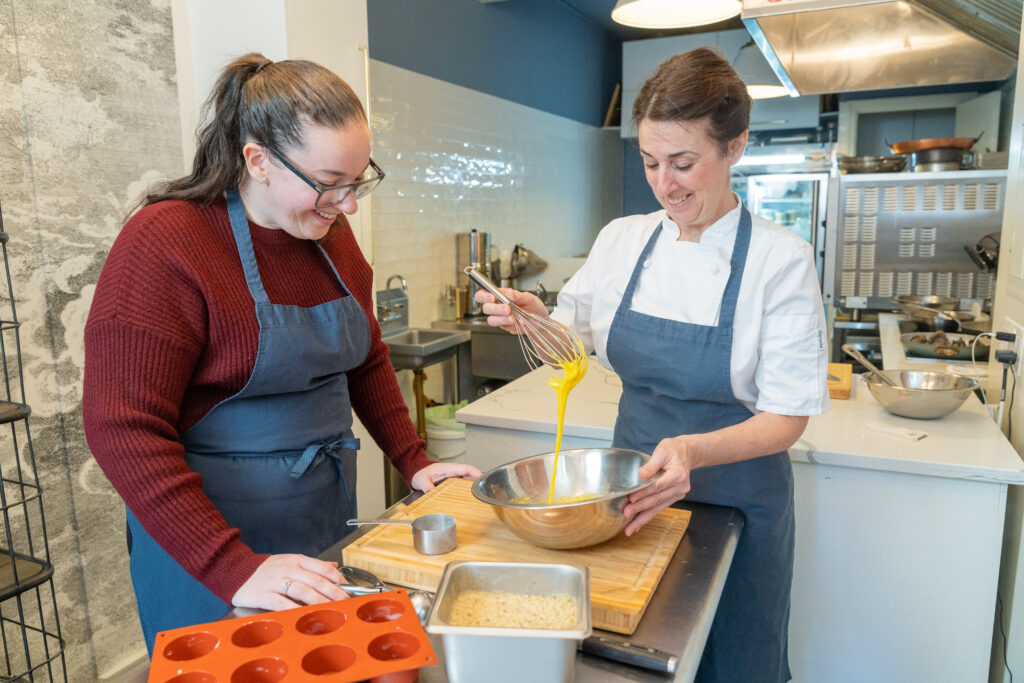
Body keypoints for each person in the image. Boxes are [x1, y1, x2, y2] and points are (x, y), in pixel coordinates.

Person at [83, 53, 481, 651]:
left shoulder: (328, 236)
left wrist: (413, 459)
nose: (348, 206)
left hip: (318, 520)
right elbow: (121, 427)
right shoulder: (167, 242)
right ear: (258, 160)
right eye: (328, 184)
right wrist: (233, 565)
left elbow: (365, 353)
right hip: (207, 547)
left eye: (358, 181)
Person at [477, 47, 828, 683]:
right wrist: (532, 318)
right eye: (650, 162)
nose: (665, 184)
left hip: (741, 503)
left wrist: (691, 452)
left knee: (737, 661)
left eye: (684, 163)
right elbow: (570, 340)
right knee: (633, 659)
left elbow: (786, 417)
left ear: (736, 147)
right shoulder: (623, 240)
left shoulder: (781, 260)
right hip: (632, 494)